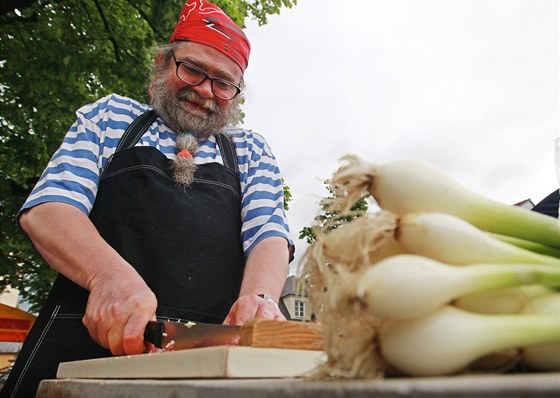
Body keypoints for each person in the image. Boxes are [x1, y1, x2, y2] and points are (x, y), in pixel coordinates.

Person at [1, 1, 294, 396]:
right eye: (192, 69)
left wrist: (258, 300)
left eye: (223, 82)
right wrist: (108, 277)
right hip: (84, 345)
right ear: (162, 62)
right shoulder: (110, 118)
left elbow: (268, 233)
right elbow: (51, 207)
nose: (205, 90)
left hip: (211, 355)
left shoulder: (251, 150)